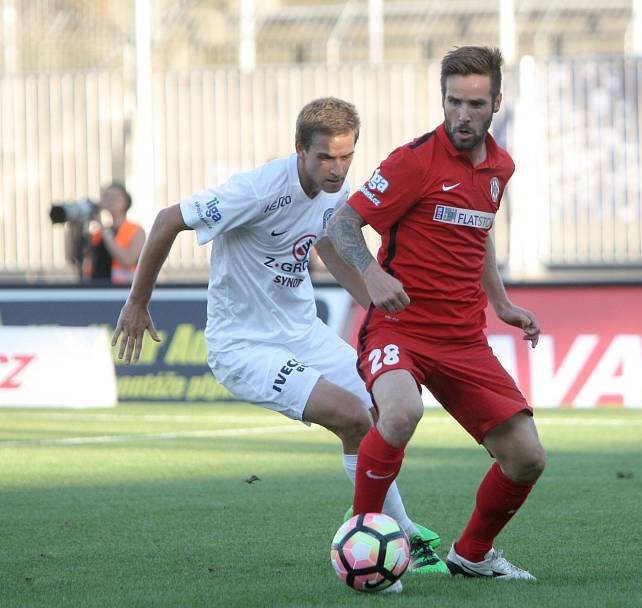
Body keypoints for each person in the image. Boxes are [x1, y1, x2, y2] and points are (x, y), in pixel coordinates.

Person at [110, 98, 445, 586]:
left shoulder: (337, 188)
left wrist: (376, 304)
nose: (336, 170)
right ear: (299, 150)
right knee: (352, 417)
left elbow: (329, 241)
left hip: (304, 333)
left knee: (387, 409)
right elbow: (166, 220)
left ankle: (402, 536)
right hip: (245, 346)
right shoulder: (257, 190)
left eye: (345, 157)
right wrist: (138, 302)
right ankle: (383, 541)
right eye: (324, 158)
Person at [327, 47, 547, 580]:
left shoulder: (501, 167)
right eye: (453, 102)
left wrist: (501, 303)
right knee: (401, 413)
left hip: (465, 339)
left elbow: (479, 233)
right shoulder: (414, 161)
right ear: (442, 100)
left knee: (526, 458)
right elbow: (341, 225)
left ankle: (472, 554)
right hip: (401, 328)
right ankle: (365, 540)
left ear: (496, 102)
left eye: (475, 103)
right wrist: (373, 277)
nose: (462, 115)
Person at [83, 182, 146, 284]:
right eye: (107, 196)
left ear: (126, 201)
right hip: (97, 288)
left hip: (122, 289)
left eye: (116, 196)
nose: (111, 200)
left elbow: (128, 261)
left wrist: (104, 232)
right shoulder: (98, 233)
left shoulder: (136, 230)